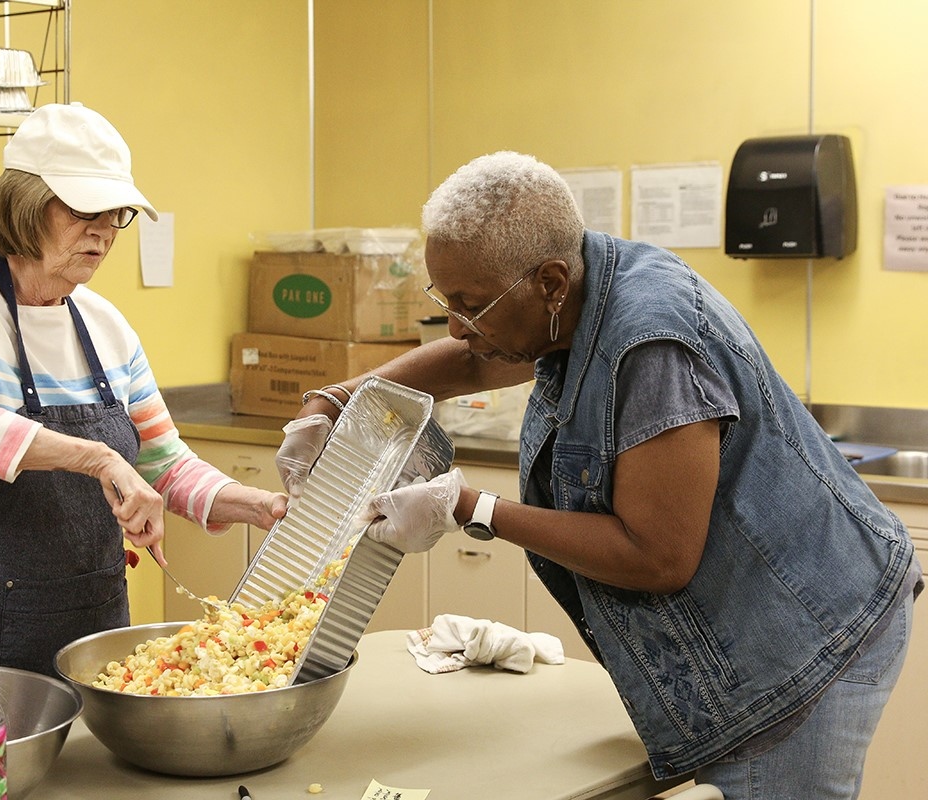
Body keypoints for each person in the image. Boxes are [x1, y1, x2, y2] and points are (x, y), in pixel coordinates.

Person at [277, 151, 922, 798]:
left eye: (470, 304)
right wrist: (335, 399)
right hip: (761, 622)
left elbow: (656, 556)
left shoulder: (652, 344)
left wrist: (469, 508)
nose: (456, 324)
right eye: (446, 301)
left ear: (551, 282)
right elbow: (476, 361)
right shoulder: (580, 292)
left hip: (803, 642)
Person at [0, 103, 286, 676]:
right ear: (25, 204)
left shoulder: (106, 326)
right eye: (85, 209)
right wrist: (97, 457)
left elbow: (164, 464)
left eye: (116, 214)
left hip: (93, 633)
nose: (103, 230)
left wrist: (263, 506)